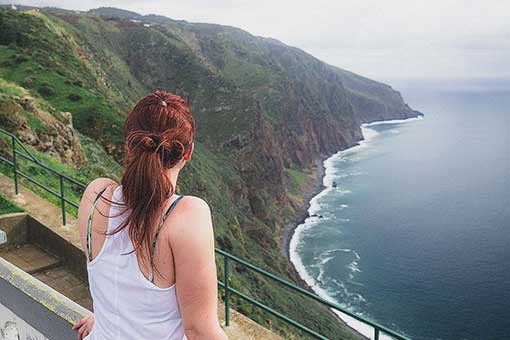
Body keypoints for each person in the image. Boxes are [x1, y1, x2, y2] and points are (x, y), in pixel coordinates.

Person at [73, 91, 228, 340]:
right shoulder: (187, 216)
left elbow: (116, 280)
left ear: (129, 145)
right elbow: (199, 330)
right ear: (188, 153)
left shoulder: (96, 195)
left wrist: (105, 319)